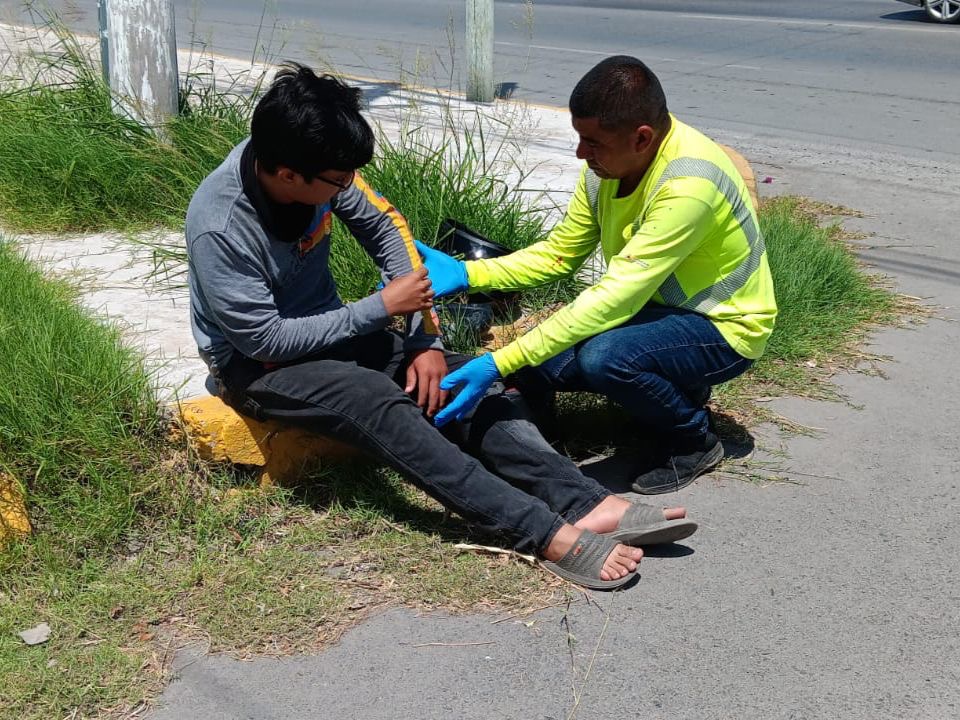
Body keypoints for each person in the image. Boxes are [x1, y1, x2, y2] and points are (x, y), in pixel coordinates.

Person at [185, 63, 697, 590]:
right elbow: (262, 339)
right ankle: (541, 533)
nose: (346, 189)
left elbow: (386, 228)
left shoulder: (318, 165)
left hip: (334, 334)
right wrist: (382, 308)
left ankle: (584, 503)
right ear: (289, 175)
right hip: (259, 366)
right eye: (338, 183)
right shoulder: (221, 225)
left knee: (462, 381)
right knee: (381, 402)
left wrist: (424, 338)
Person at [418, 55, 778, 495]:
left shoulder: (689, 186)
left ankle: (692, 439)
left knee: (605, 358)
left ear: (642, 137)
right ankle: (542, 442)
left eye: (592, 142)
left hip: (724, 326)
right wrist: (467, 273)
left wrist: (498, 360)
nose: (580, 153)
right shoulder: (612, 165)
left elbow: (613, 298)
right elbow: (559, 255)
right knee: (538, 362)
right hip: (657, 312)